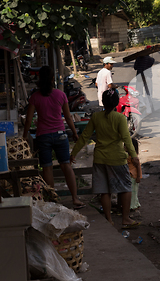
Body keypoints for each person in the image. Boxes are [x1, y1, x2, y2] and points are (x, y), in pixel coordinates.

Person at [70, 89, 140, 228]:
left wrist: (74, 153)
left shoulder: (96, 117)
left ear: (103, 102)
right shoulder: (120, 118)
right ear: (115, 103)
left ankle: (109, 219)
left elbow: (85, 136)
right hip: (117, 159)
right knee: (125, 188)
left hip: (100, 159)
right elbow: (127, 139)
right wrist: (134, 156)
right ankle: (125, 218)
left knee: (105, 190)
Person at [22, 66, 85, 209]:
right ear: (52, 79)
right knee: (66, 166)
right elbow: (68, 117)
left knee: (47, 168)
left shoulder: (35, 97)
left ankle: (52, 200)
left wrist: (25, 136)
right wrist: (75, 133)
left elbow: (28, 119)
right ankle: (75, 198)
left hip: (43, 136)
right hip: (60, 135)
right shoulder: (60, 95)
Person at [126, 138, 142, 211]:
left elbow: (138, 166)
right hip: (132, 175)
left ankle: (132, 206)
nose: (124, 147)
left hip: (133, 176)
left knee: (132, 192)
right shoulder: (129, 155)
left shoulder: (133, 156)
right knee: (133, 191)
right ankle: (135, 204)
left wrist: (138, 176)